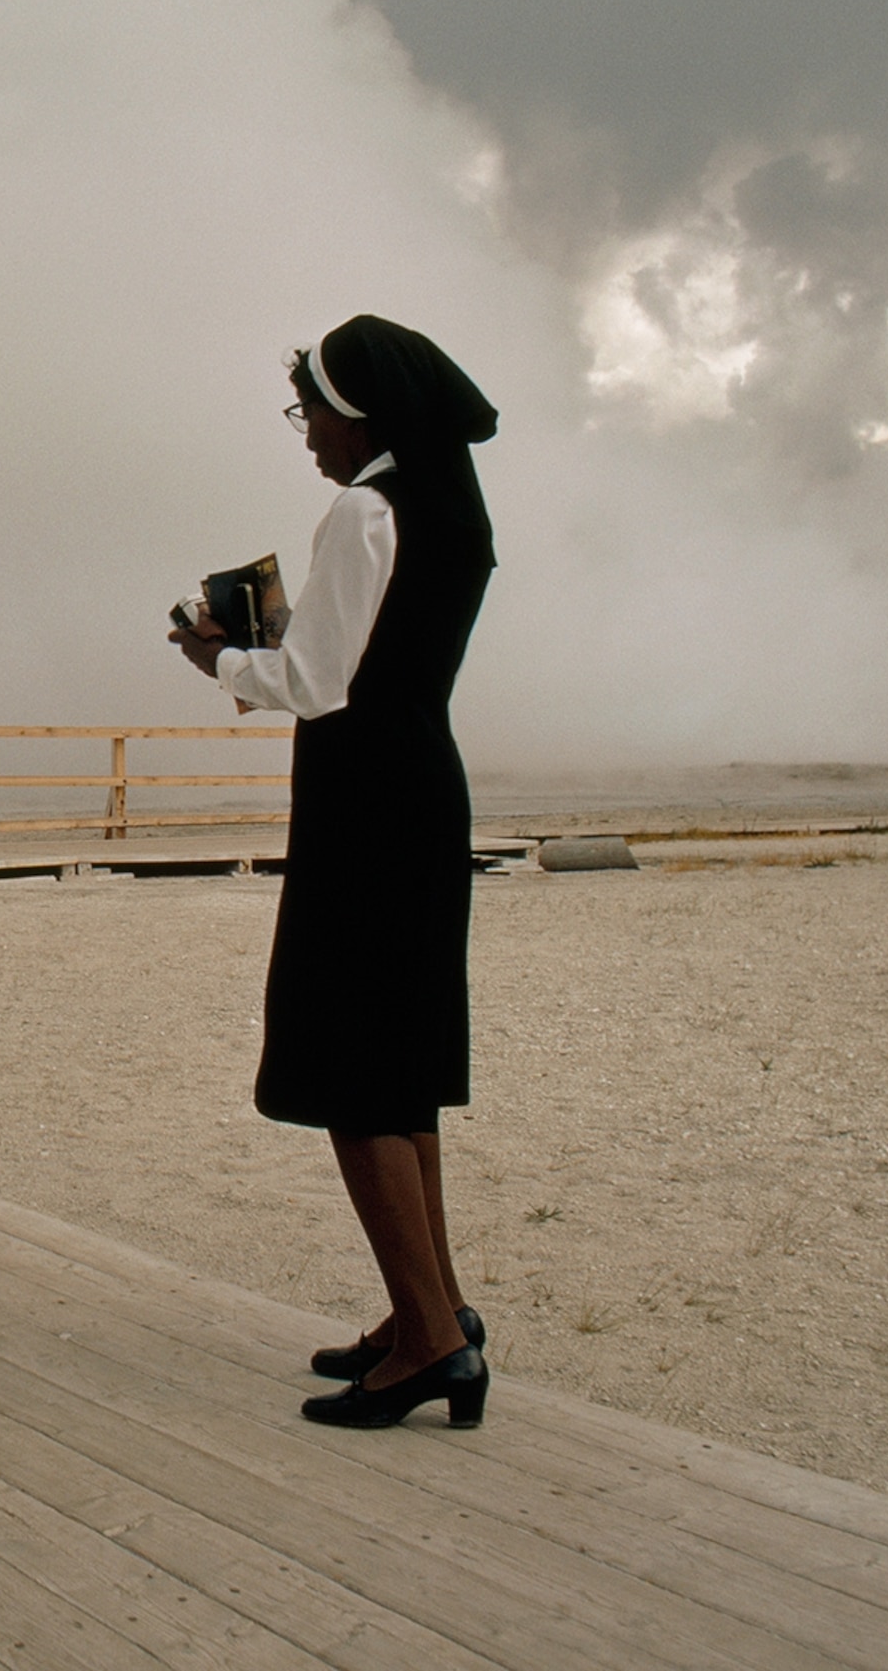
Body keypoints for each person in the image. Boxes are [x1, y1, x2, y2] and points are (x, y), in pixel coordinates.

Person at [171, 313, 499, 1431]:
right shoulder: (454, 503)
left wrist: (219, 654)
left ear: (356, 415)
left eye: (310, 409)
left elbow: (317, 681)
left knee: (355, 1068)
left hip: (364, 794)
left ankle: (431, 1342)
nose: (305, 430)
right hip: (424, 777)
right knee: (403, 1065)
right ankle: (431, 1307)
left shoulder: (363, 510)